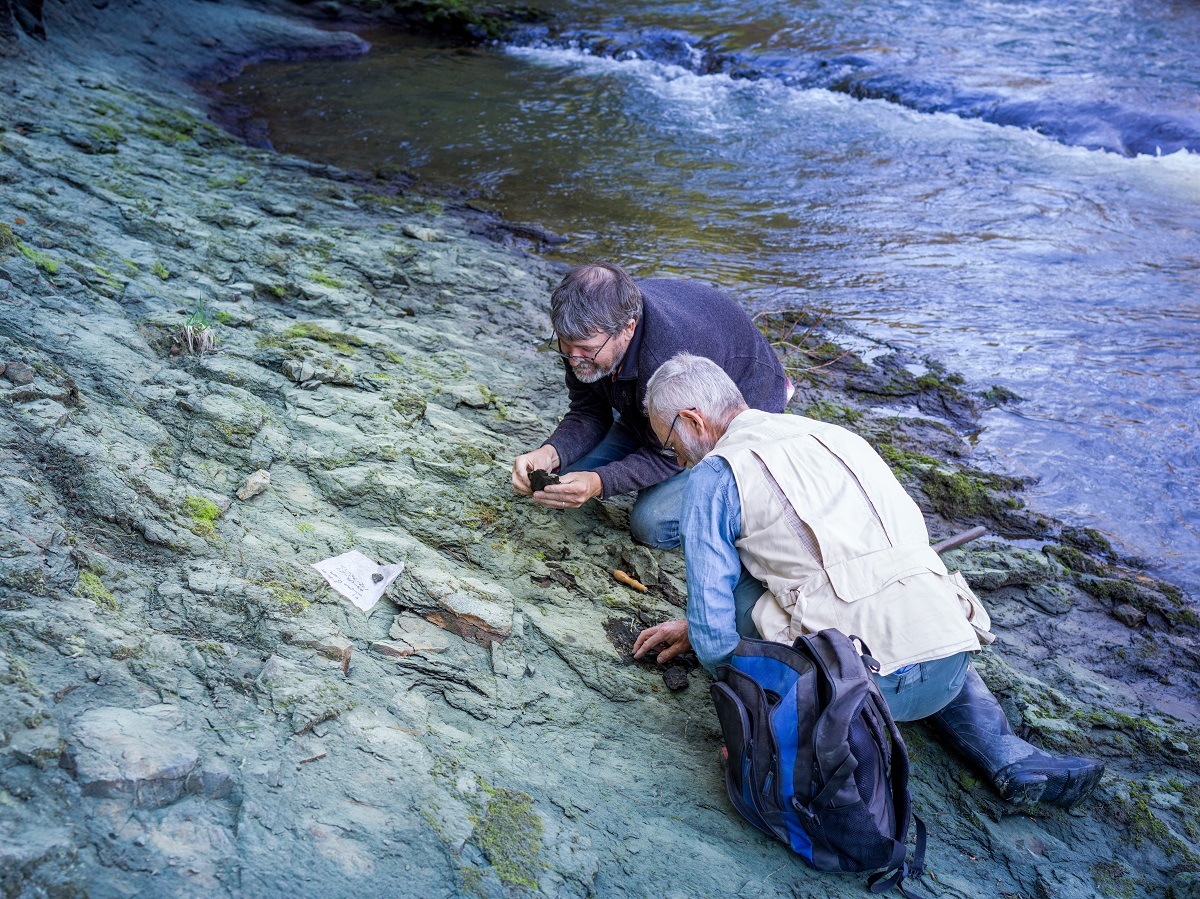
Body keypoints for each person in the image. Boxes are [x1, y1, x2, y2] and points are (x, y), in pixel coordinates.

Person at [632, 353, 1104, 809]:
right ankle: (1008, 754)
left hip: (857, 689)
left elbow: (715, 634)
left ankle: (788, 721)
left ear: (694, 420)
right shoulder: (836, 435)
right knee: (910, 598)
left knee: (741, 572)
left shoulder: (717, 474)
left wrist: (736, 705)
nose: (676, 461)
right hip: (951, 662)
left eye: (669, 443)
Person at [511, 261, 788, 548]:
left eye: (587, 351)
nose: (574, 359)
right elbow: (588, 411)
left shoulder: (666, 358)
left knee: (652, 523)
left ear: (627, 328)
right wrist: (549, 454)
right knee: (560, 482)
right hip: (653, 412)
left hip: (723, 426)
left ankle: (739, 506)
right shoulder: (584, 336)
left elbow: (668, 453)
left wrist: (599, 482)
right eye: (566, 347)